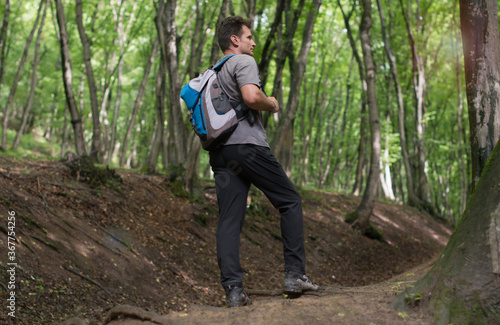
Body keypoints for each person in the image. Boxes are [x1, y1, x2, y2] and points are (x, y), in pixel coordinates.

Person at [210, 16, 322, 308]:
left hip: (220, 153)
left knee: (229, 220)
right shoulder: (242, 62)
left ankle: (234, 291)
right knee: (289, 200)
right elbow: (250, 96)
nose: (254, 43)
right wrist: (271, 103)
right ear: (235, 40)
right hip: (247, 146)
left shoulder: (212, 73)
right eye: (249, 37)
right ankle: (295, 275)